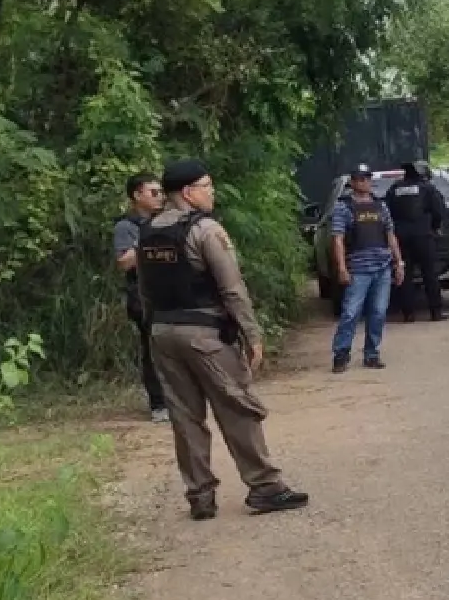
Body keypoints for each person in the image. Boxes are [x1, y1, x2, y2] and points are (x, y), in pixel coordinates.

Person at [138, 160, 308, 520]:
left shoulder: (148, 230)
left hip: (163, 333)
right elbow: (232, 288)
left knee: (185, 418)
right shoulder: (206, 231)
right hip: (206, 335)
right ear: (187, 192)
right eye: (207, 185)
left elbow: (145, 290)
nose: (212, 192)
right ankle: (265, 487)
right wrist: (252, 335)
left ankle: (200, 497)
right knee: (237, 408)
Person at [330, 164, 404, 372]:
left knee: (378, 313)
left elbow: (390, 236)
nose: (365, 182)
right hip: (359, 270)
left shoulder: (381, 206)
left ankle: (372, 354)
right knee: (351, 313)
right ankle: (341, 355)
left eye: (367, 178)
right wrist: (342, 268)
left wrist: (399, 263)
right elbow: (338, 240)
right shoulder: (343, 207)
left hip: (382, 269)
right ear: (352, 182)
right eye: (360, 178)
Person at [112, 172, 171, 421]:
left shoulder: (165, 221)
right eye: (153, 192)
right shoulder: (126, 227)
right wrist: (148, 244)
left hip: (167, 292)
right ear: (137, 195)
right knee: (152, 347)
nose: (160, 197)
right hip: (142, 296)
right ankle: (158, 403)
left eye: (161, 192)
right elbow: (124, 262)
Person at [388, 160, 447, 323]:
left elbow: (387, 212)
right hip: (423, 235)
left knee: (405, 275)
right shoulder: (427, 188)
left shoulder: (395, 188)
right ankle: (436, 312)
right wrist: (435, 228)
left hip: (401, 237)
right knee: (430, 274)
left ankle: (408, 314)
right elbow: (438, 211)